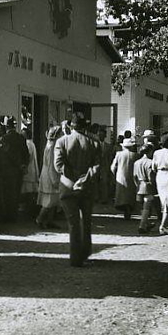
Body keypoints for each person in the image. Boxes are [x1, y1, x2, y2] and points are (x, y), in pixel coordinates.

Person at [54, 113, 99, 267]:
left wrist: (73, 179)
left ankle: (75, 258)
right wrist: (83, 179)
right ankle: (85, 252)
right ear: (84, 127)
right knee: (86, 222)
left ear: (71, 126)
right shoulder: (94, 143)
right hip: (87, 188)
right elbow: (97, 167)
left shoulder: (61, 142)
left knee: (73, 224)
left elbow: (58, 165)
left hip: (68, 187)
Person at [0, 116, 28, 224]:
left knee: (7, 194)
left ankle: (8, 216)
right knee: (16, 193)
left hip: (7, 170)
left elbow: (3, 154)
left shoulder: (4, 138)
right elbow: (26, 154)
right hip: (18, 171)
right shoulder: (21, 138)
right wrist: (23, 165)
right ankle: (14, 215)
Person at [36, 125, 63, 229]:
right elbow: (51, 165)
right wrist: (54, 180)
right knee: (49, 202)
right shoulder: (52, 147)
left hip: (49, 174)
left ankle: (49, 221)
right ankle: (40, 219)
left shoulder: (51, 145)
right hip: (50, 175)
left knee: (54, 201)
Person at [133, 141, 159, 233]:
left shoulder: (136, 163)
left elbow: (134, 177)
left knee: (142, 208)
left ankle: (146, 224)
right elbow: (151, 177)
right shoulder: (150, 163)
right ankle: (142, 226)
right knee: (146, 207)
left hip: (139, 186)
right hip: (148, 186)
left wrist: (137, 185)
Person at [111, 136, 139, 219]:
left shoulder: (119, 154)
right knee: (130, 194)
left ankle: (124, 209)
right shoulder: (136, 155)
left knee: (122, 195)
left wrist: (114, 174)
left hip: (121, 176)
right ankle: (130, 209)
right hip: (132, 176)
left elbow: (113, 167)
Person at [21, 128, 40, 214]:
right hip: (31, 169)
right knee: (30, 191)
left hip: (28, 170)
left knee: (29, 191)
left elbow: (28, 156)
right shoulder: (31, 143)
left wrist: (23, 166)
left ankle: (29, 209)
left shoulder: (27, 143)